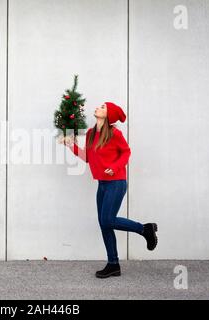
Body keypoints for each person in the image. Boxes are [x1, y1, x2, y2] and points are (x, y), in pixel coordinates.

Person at [63, 102, 158, 279]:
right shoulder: (91, 133)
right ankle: (113, 265)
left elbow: (126, 153)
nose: (98, 108)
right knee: (104, 223)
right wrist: (71, 145)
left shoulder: (115, 133)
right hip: (103, 184)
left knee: (107, 220)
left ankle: (144, 229)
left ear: (108, 115)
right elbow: (87, 158)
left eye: (102, 107)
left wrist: (114, 167)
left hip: (116, 182)